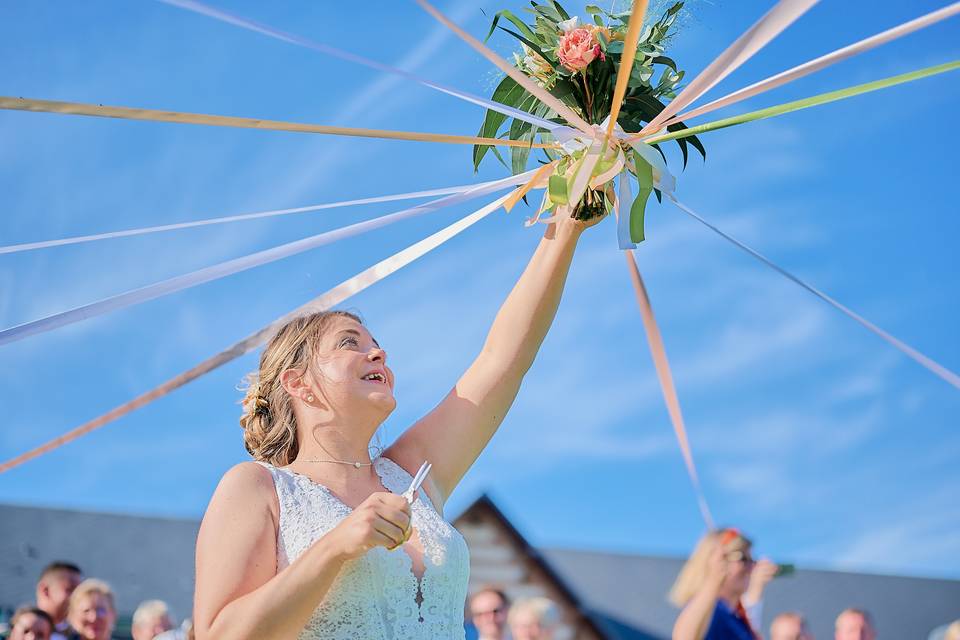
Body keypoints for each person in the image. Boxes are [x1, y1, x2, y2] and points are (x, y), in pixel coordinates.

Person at [193, 211, 602, 640]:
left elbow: (503, 360)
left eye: (377, 345)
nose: (379, 354)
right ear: (299, 383)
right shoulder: (258, 488)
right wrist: (335, 546)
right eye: (350, 343)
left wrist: (567, 226)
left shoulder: (411, 472)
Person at [670, 528, 778, 640]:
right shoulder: (712, 610)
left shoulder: (735, 616)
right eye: (743, 559)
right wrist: (713, 582)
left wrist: (756, 588)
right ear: (713, 561)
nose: (752, 567)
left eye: (752, 560)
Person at [35, 562, 82, 640]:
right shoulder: (16, 631)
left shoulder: (80, 635)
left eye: (80, 591)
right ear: (45, 590)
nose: (78, 597)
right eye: (70, 589)